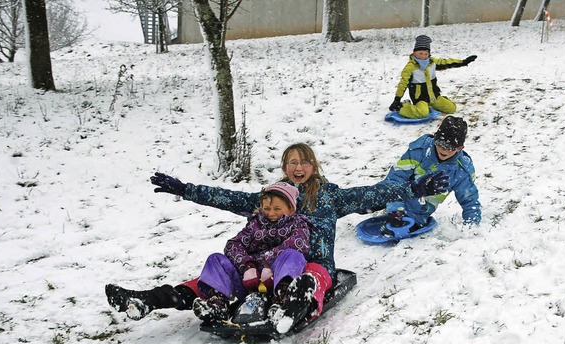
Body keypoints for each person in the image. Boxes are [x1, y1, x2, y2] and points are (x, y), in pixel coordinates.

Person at [106, 143, 449, 331]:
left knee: (312, 273)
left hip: (310, 268)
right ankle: (149, 300)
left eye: (303, 162)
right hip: (261, 271)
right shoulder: (271, 199)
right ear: (285, 168)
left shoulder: (329, 197)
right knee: (214, 273)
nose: (297, 167)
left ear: (313, 166)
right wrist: (186, 190)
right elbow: (228, 198)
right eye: (290, 163)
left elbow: (373, 194)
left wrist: (414, 187)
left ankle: (295, 304)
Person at [192, 181, 312, 324]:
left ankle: (283, 301)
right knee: (215, 259)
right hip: (249, 282)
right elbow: (233, 244)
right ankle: (217, 304)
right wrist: (247, 266)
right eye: (266, 208)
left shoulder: (298, 224)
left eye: (277, 209)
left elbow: (298, 244)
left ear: (291, 209)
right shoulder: (256, 224)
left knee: (293, 255)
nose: (271, 213)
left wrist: (269, 264)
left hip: (276, 278)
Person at [380, 116, 481, 231]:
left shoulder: (461, 170)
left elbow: (470, 202)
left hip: (419, 214)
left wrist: (471, 227)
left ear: (459, 148)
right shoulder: (419, 151)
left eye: (450, 147)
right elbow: (395, 178)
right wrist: (395, 209)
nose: (443, 150)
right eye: (440, 143)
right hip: (397, 201)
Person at [388, 34, 477, 119]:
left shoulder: (432, 62)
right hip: (420, 98)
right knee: (423, 113)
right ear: (414, 52)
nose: (423, 56)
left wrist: (464, 62)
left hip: (434, 97)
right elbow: (403, 84)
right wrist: (397, 99)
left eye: (426, 54)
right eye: (420, 53)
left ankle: (437, 102)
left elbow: (447, 62)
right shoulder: (410, 67)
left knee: (451, 108)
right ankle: (404, 106)